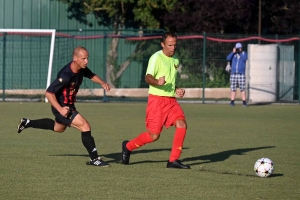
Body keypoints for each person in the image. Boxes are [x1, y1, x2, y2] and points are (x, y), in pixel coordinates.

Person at [17, 46, 111, 167]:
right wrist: (60, 109)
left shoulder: (81, 68)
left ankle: (27, 122)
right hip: (62, 106)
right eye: (83, 58)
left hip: (68, 105)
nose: (86, 61)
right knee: (85, 126)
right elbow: (49, 93)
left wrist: (103, 83)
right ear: (75, 59)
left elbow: (91, 75)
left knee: (58, 128)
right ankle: (94, 159)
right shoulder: (66, 75)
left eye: (87, 58)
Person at [121, 32, 190, 169]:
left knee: (182, 124)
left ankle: (173, 160)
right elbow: (148, 77)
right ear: (162, 44)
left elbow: (169, 81)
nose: (173, 48)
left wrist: (176, 89)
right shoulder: (156, 58)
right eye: (170, 45)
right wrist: (157, 82)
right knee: (154, 136)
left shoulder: (175, 60)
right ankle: (128, 146)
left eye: (175, 45)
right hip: (157, 101)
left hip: (171, 101)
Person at [226, 42, 248, 107]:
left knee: (242, 88)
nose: (238, 49)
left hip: (241, 74)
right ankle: (232, 101)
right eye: (237, 48)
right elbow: (228, 58)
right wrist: (233, 52)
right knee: (233, 88)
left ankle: (244, 101)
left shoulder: (244, 53)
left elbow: (245, 58)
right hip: (233, 73)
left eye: (239, 48)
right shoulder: (233, 54)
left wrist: (240, 52)